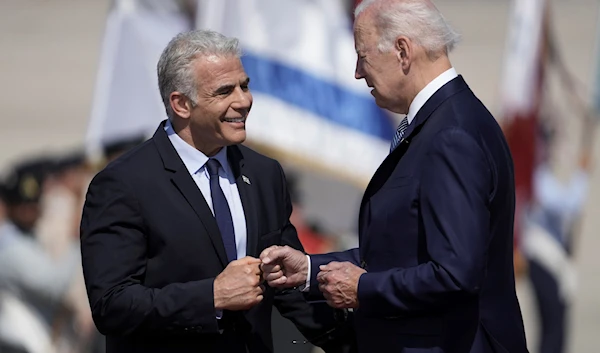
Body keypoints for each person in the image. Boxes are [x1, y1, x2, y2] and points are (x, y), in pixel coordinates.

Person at [260, 0, 528, 352]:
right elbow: (400, 253)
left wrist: (362, 289)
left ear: (402, 50)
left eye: (363, 56)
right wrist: (310, 269)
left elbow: (455, 274)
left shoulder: (451, 135)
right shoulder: (442, 123)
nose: (358, 72)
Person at [80, 29, 352, 353]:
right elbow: (112, 305)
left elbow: (286, 286)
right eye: (224, 91)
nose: (244, 101)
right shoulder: (124, 184)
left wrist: (356, 342)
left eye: (245, 85)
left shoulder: (264, 173)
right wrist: (213, 296)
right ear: (181, 104)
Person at [520, 118, 592, 353]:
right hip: (542, 259)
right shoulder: (535, 176)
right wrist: (581, 174)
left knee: (556, 328)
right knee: (552, 329)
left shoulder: (540, 174)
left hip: (551, 261)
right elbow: (568, 204)